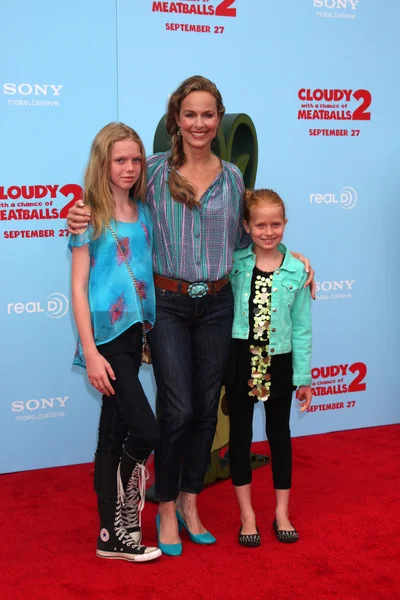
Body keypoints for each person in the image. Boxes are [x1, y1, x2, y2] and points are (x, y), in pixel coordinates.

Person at [67, 76, 315, 557]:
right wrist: (79, 214)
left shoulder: (234, 180)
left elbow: (249, 243)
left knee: (205, 410)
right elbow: (110, 202)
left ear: (218, 119)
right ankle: (162, 508)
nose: (199, 123)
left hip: (219, 303)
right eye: (190, 114)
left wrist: (293, 258)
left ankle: (189, 500)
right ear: (174, 120)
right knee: (177, 409)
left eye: (208, 114)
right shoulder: (154, 172)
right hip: (171, 305)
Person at [69, 122, 161, 562]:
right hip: (105, 338)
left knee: (113, 434)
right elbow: (79, 287)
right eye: (120, 160)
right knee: (146, 429)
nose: (128, 168)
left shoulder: (143, 211)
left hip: (135, 333)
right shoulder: (88, 214)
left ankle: (110, 536)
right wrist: (89, 352)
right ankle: (125, 517)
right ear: (103, 162)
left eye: (135, 159)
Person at [226, 188, 312, 548]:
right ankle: (247, 514)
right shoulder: (234, 265)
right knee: (241, 438)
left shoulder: (297, 270)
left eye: (276, 224)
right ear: (246, 226)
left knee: (280, 437)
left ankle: (281, 512)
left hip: (279, 363)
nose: (268, 231)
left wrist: (303, 378)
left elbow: (303, 327)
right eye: (260, 224)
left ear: (286, 224)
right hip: (241, 360)